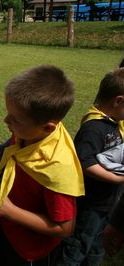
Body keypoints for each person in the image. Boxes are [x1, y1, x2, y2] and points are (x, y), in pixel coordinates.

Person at [0, 65, 85, 265]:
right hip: (8, 232)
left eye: (15, 119)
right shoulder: (26, 133)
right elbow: (2, 162)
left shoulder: (56, 169)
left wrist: (10, 211)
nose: (6, 120)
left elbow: (65, 228)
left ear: (48, 127)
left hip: (30, 251)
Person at [56, 68, 124, 265]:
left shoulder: (113, 124)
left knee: (95, 248)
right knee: (75, 249)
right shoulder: (94, 128)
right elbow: (85, 162)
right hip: (91, 205)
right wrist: (118, 179)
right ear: (118, 100)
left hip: (106, 204)